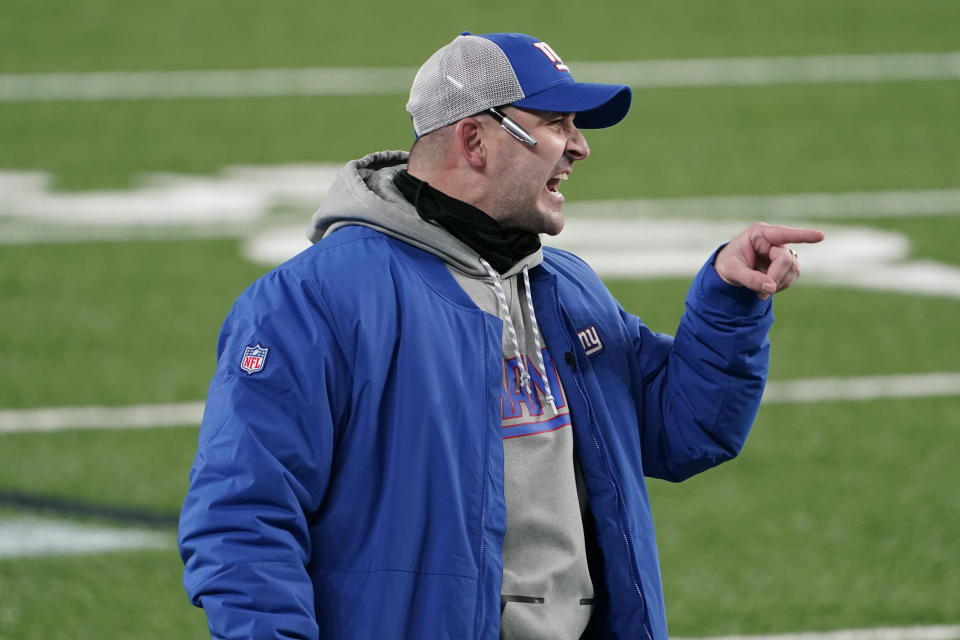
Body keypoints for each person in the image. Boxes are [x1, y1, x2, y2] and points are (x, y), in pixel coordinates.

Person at [178, 32, 824, 640]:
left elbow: (683, 433)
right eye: (555, 125)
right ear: (476, 140)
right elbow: (242, 518)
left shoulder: (565, 286)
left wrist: (729, 300)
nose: (579, 147)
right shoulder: (315, 300)